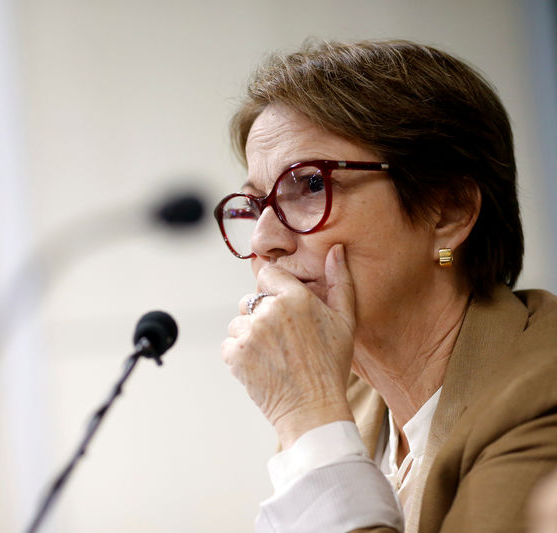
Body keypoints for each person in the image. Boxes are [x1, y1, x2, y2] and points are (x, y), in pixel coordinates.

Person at [215, 39, 557, 533]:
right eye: (254, 206)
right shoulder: (350, 396)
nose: (265, 240)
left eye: (310, 185)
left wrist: (308, 418)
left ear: (449, 212)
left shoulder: (541, 396)